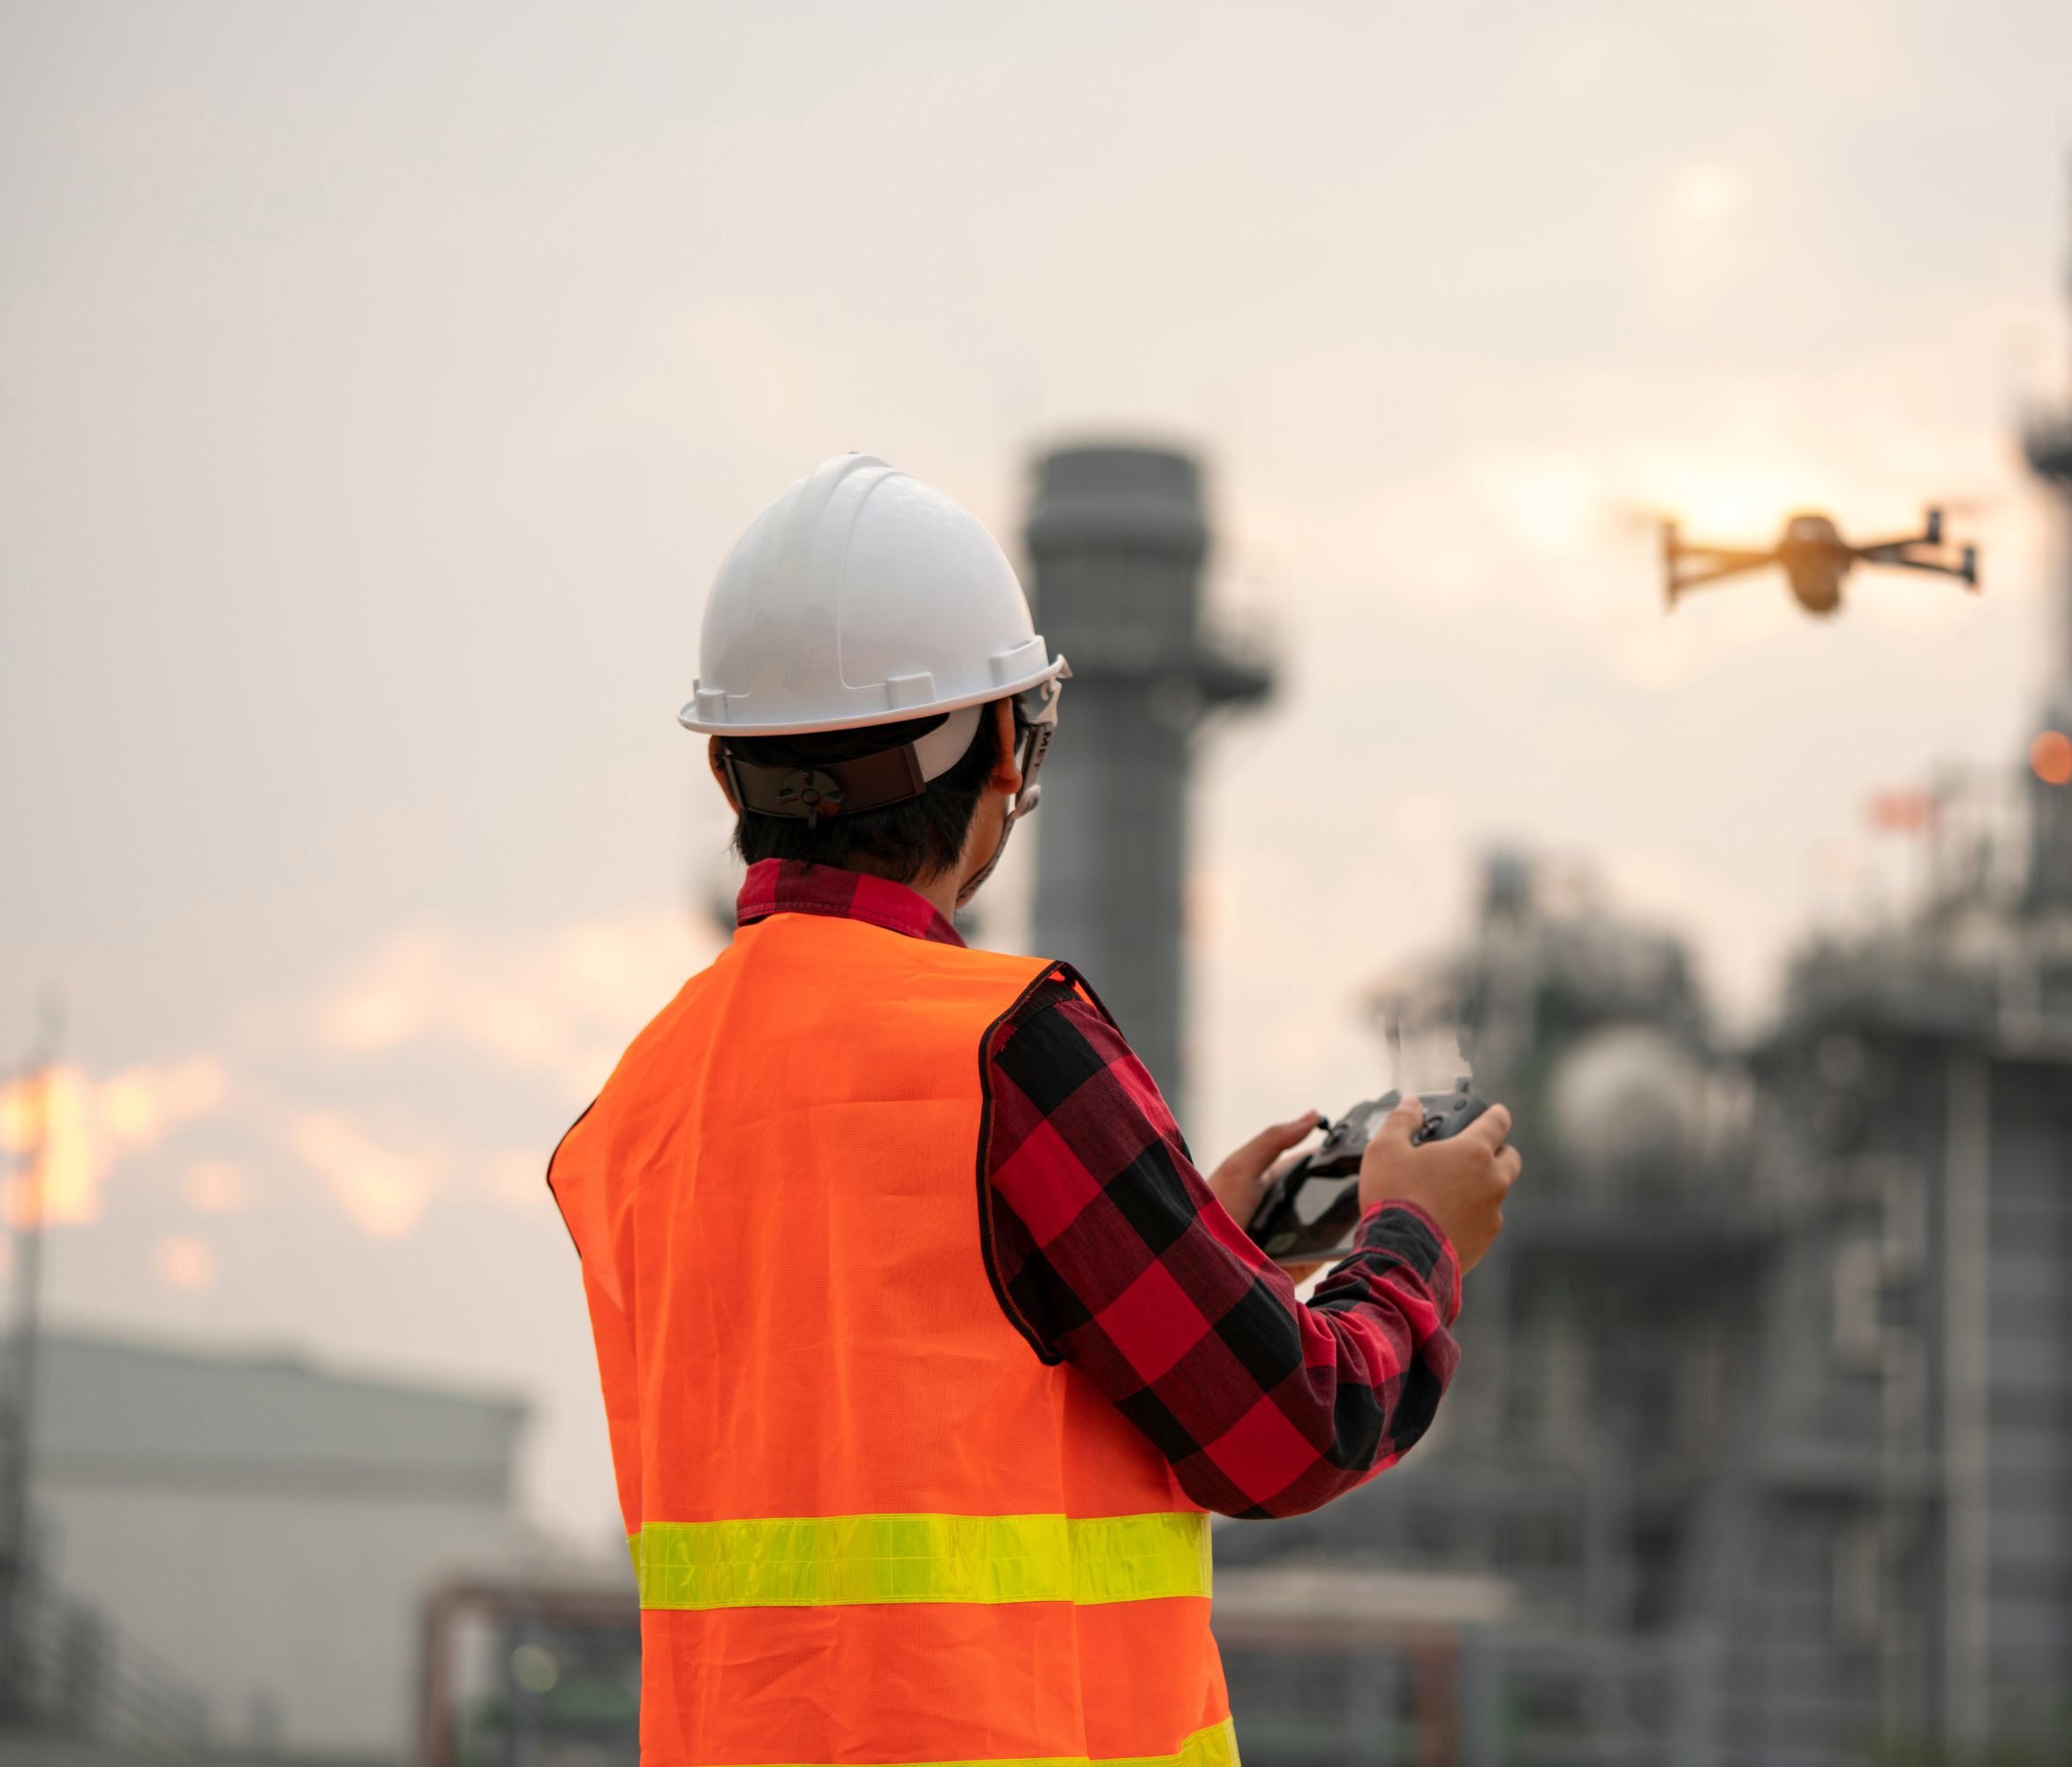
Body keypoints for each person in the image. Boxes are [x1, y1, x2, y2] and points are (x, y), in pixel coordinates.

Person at [548, 454, 1520, 1767]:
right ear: (1006, 745)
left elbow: (904, 1406)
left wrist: (1187, 1248)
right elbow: (1297, 1430)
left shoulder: (635, 1112)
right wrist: (1416, 1242)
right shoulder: (1015, 1051)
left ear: (729, 773)